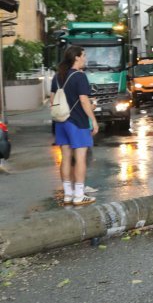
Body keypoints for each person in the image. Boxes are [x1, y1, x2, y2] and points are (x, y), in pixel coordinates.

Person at [50, 45, 99, 205]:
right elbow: (84, 101)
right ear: (76, 57)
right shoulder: (79, 76)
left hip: (61, 122)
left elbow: (52, 100)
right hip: (77, 122)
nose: (85, 58)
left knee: (65, 158)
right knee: (80, 158)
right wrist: (93, 118)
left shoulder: (57, 76)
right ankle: (79, 194)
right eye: (83, 55)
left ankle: (68, 194)